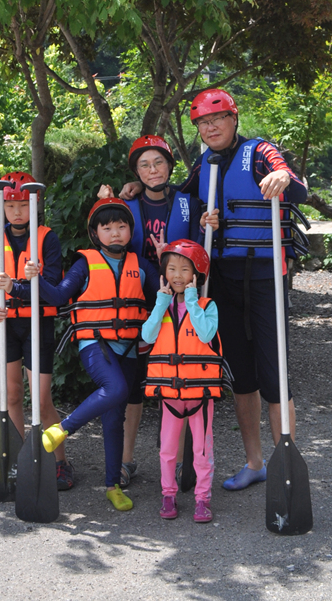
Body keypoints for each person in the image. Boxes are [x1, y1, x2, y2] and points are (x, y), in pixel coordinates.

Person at [184, 88, 308, 491]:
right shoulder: (203, 163)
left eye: (217, 119)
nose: (210, 127)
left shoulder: (259, 152)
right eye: (203, 123)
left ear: (233, 119)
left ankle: (285, 463)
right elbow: (179, 200)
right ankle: (255, 463)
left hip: (265, 276)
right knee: (241, 377)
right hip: (223, 279)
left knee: (274, 376)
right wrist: (134, 191)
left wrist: (282, 175)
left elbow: (295, 185)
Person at [31, 196, 156, 511]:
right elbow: (58, 295)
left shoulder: (142, 266)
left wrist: (169, 256)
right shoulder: (84, 263)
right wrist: (34, 279)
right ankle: (62, 430)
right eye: (107, 227)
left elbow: (165, 293)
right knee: (116, 388)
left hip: (129, 347)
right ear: (95, 233)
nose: (115, 233)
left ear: (130, 231)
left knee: (115, 417)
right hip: (94, 343)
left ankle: (113, 486)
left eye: (121, 227)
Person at [99, 134, 199, 488]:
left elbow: (199, 254)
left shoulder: (188, 203)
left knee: (179, 380)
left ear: (170, 166)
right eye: (144, 165)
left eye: (158, 162)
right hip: (136, 304)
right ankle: (126, 460)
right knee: (134, 385)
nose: (152, 170)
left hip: (178, 304)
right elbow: (106, 236)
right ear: (136, 172)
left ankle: (182, 461)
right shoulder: (127, 203)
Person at [0, 172, 74, 491]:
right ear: (2, 207)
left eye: (22, 205)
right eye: (10, 205)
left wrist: (21, 285)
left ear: (34, 204)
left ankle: (59, 462)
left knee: (41, 400)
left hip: (37, 324)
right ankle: (18, 458)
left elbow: (54, 290)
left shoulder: (47, 239)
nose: (16, 212)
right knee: (12, 395)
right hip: (4, 325)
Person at [143, 239, 224, 523]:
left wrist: (191, 301)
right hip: (170, 394)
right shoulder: (162, 307)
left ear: (196, 274)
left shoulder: (207, 305)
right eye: (172, 269)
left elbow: (206, 334)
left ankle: (203, 498)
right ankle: (168, 494)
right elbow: (147, 335)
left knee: (202, 450)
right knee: (167, 449)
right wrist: (160, 303)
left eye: (185, 269)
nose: (177, 275)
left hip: (199, 394)